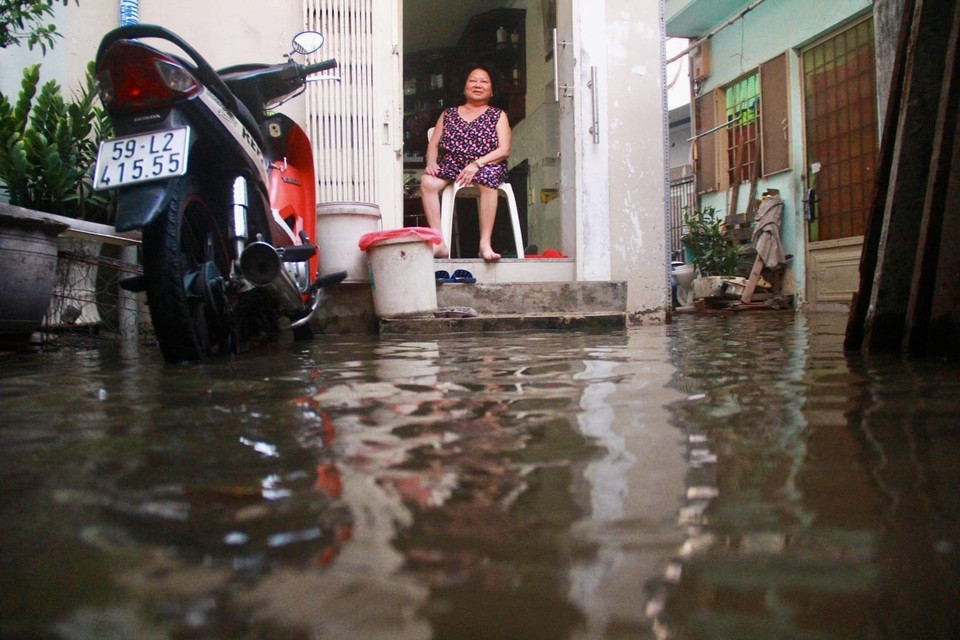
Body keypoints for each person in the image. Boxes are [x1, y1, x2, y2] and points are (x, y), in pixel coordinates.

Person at [420, 64, 512, 261]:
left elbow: (504, 150)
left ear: (492, 89)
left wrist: (476, 164)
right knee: (427, 182)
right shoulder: (448, 114)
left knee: (488, 180)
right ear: (464, 87)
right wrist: (431, 162)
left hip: (486, 164)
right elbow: (433, 144)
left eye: (484, 81)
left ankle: (485, 244)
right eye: (473, 80)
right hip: (452, 164)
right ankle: (439, 242)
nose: (478, 85)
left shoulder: (498, 115)